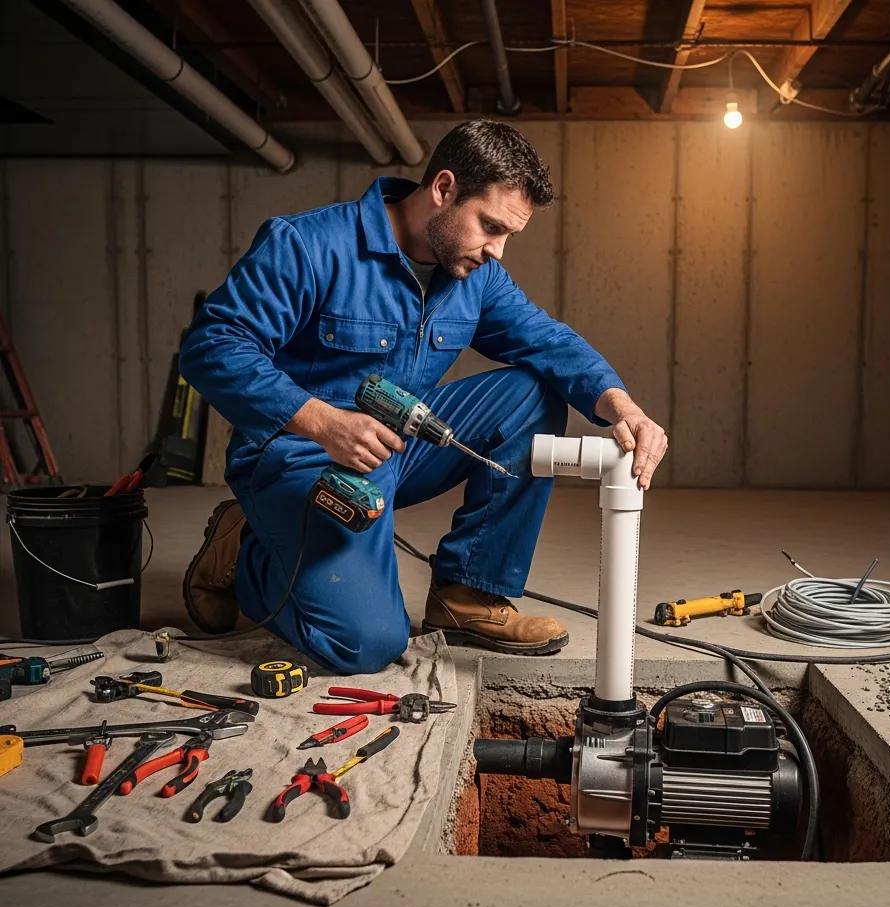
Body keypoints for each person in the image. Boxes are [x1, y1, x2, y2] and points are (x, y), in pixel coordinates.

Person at [180, 120, 667, 675]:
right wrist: (319, 420)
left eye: (509, 235)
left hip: (399, 444)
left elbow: (547, 340)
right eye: (489, 226)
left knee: (531, 392)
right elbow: (212, 346)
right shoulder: (308, 246)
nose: (498, 251)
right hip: (298, 458)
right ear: (443, 189)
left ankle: (468, 594)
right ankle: (244, 551)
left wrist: (621, 406)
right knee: (366, 643)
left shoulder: (475, 277)